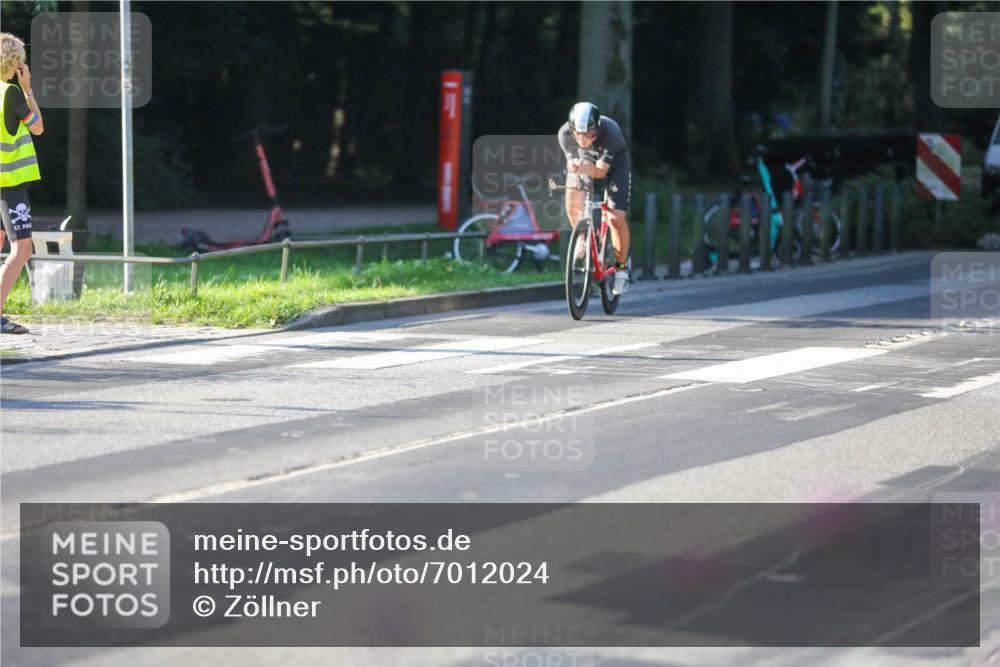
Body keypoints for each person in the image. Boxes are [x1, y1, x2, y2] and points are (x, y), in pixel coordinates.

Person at [557, 101, 631, 295]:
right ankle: (583, 236)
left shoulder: (610, 132)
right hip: (587, 160)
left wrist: (581, 166)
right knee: (573, 198)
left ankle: (621, 269)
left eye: (589, 134)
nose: (582, 138)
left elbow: (600, 172)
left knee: (615, 217)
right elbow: (574, 164)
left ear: (597, 129)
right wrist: (574, 166)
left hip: (614, 165)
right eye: (578, 134)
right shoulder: (564, 134)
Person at [0, 32, 43, 334]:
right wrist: (27, 90)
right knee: (22, 250)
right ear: (17, 65)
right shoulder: (11, 94)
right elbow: (38, 127)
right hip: (10, 184)